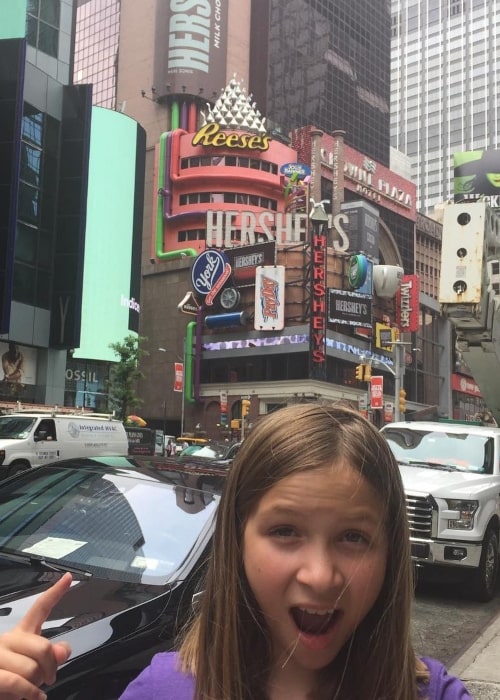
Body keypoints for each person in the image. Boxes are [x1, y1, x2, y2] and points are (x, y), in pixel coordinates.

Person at [0, 404, 472, 699]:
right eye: (286, 531)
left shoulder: (436, 693)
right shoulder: (163, 690)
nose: (321, 575)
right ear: (237, 544)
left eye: (353, 537)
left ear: (391, 552)